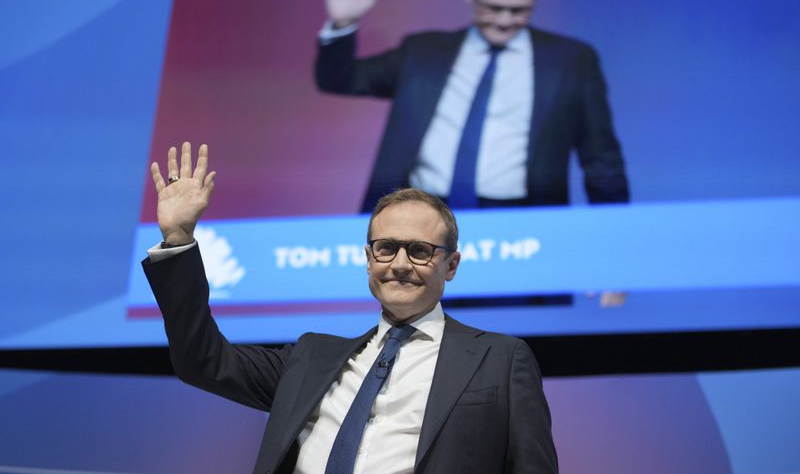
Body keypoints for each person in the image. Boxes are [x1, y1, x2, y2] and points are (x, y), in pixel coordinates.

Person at [143, 142, 558, 473]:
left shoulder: (500, 359)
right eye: (386, 249)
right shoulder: (311, 359)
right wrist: (178, 240)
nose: (398, 264)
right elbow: (202, 360)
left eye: (419, 251)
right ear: (368, 259)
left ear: (450, 266)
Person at [315, 0, 629, 212]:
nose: (505, 20)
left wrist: (615, 252)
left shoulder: (570, 60)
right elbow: (339, 79)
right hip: (421, 214)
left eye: (519, 10)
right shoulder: (422, 52)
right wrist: (344, 23)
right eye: (493, 8)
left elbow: (601, 159)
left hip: (523, 221)